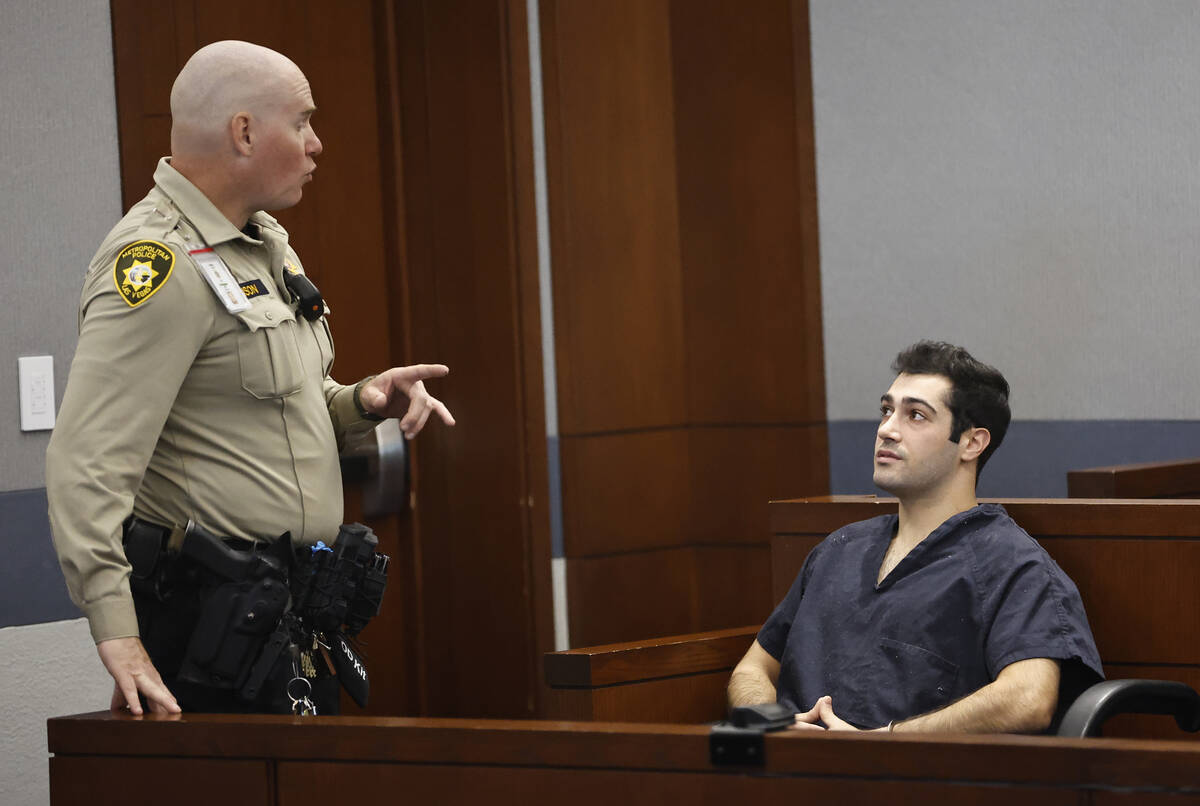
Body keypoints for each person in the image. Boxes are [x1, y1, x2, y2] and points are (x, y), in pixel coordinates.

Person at [45, 40, 454, 716]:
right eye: (301, 122)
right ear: (243, 132)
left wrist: (360, 402)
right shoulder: (158, 263)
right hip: (205, 627)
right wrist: (116, 629)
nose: (317, 143)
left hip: (284, 618)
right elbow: (86, 462)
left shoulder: (262, 241)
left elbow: (268, 407)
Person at [727, 341, 1102, 733]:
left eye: (916, 416)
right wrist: (776, 725)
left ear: (972, 443)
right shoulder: (839, 550)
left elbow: (1027, 699)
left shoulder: (1013, 565)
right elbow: (753, 668)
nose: (887, 429)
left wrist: (886, 740)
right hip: (790, 773)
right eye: (887, 410)